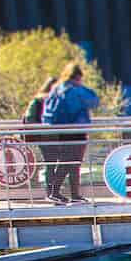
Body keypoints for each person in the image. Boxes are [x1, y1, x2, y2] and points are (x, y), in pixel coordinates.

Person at [41, 61, 99, 203]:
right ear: (78, 77)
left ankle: (66, 193)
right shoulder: (76, 90)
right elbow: (94, 101)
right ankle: (62, 193)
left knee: (67, 161)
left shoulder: (57, 89)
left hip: (60, 131)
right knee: (72, 162)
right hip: (76, 130)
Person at [21, 77, 64, 202]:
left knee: (56, 163)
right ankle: (51, 193)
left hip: (55, 137)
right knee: (51, 163)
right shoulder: (39, 101)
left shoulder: (53, 100)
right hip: (45, 137)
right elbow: (30, 119)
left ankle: (54, 192)